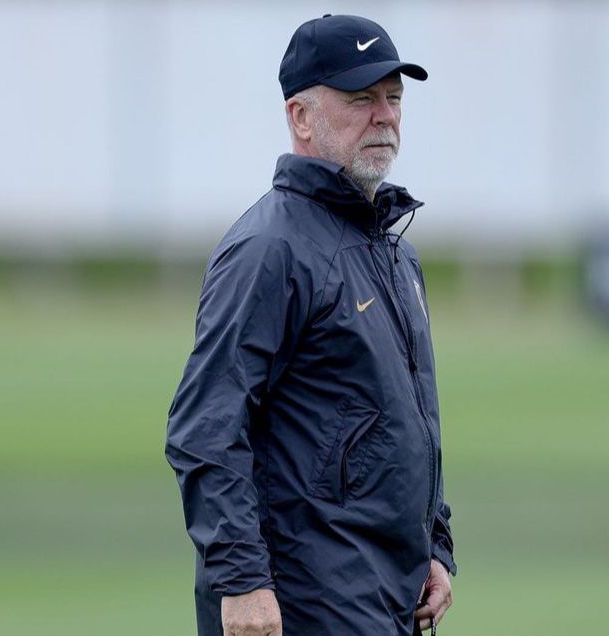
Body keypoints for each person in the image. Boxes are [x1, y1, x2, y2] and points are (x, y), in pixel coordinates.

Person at [165, 14, 456, 636]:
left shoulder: (393, 249)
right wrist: (242, 583)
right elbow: (206, 429)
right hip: (304, 599)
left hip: (384, 593)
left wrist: (435, 543)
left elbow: (404, 419)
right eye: (360, 99)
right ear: (300, 116)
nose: (384, 116)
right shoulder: (270, 248)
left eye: (393, 97)